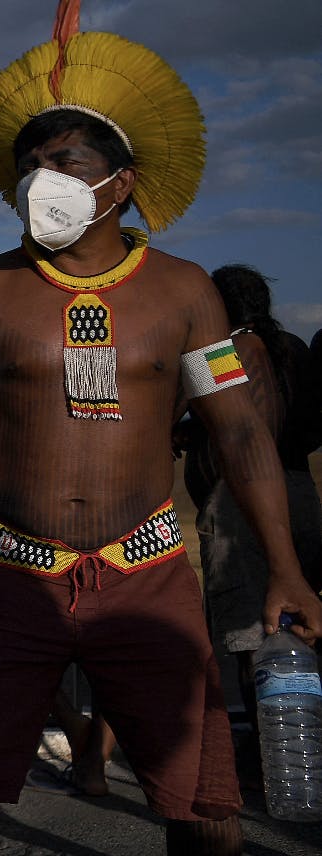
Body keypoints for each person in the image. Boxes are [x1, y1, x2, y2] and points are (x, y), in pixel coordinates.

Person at [0, 5, 322, 854]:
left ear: (122, 179)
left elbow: (241, 434)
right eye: (29, 165)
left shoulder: (186, 294)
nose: (42, 179)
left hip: (145, 575)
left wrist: (287, 569)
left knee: (203, 801)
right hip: (6, 577)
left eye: (65, 161)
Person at [180, 264, 322, 759]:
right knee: (300, 620)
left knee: (252, 628)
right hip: (300, 492)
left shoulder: (235, 351)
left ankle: (271, 750)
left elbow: (246, 431)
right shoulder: (295, 350)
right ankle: (298, 739)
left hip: (245, 504)